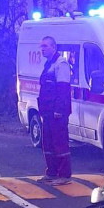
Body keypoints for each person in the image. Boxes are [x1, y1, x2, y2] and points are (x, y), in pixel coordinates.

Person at [37, 36, 72, 185]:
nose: (42, 49)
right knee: (48, 142)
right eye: (41, 46)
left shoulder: (60, 64)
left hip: (57, 112)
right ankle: (51, 172)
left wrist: (59, 109)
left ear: (53, 47)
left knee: (60, 142)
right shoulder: (48, 64)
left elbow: (63, 90)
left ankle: (64, 175)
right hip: (47, 111)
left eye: (45, 46)